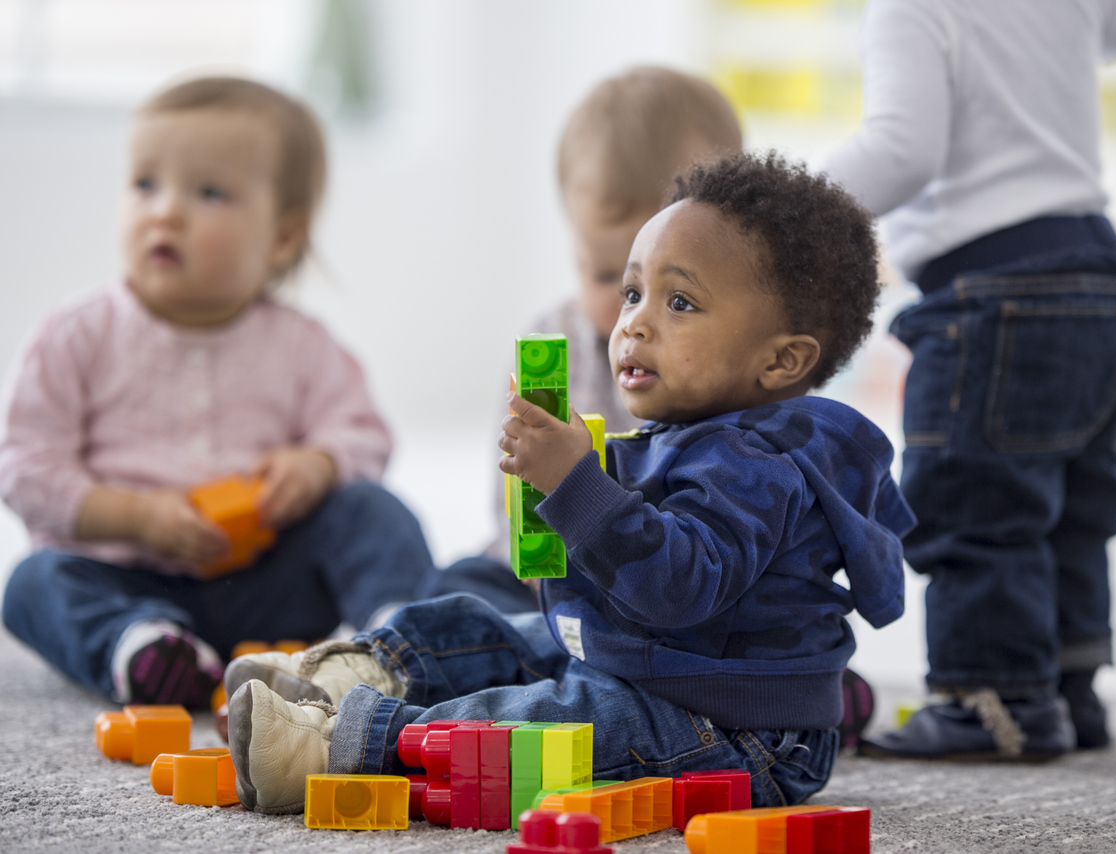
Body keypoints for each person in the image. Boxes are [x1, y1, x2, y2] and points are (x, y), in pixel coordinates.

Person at [222, 153, 915, 815]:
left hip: (735, 731)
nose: (635, 322)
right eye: (633, 292)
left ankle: (335, 745)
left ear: (781, 361)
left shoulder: (760, 466)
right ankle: (352, 677)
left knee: (551, 725)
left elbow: (677, 588)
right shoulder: (690, 438)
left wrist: (576, 484)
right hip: (651, 664)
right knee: (499, 629)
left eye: (679, 302)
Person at [0, 77, 434, 710]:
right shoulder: (76, 336)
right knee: (32, 584)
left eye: (207, 192)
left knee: (375, 511)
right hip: (122, 573)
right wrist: (138, 517)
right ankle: (142, 649)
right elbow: (26, 472)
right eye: (145, 184)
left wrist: (314, 466)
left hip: (265, 580)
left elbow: (364, 434)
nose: (165, 211)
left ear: (282, 237)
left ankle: (402, 643)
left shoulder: (301, 344)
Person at [822, 0, 1116, 759]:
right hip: (1111, 285)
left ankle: (996, 701)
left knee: (976, 505)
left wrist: (768, 207)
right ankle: (1069, 692)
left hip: (996, 296)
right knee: (1071, 505)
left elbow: (902, 151)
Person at [423, 67, 744, 616]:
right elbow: (510, 464)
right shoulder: (555, 339)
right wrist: (520, 547)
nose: (631, 316)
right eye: (607, 279)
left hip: (659, 577)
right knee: (456, 589)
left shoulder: (728, 354)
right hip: (548, 572)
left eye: (674, 295)